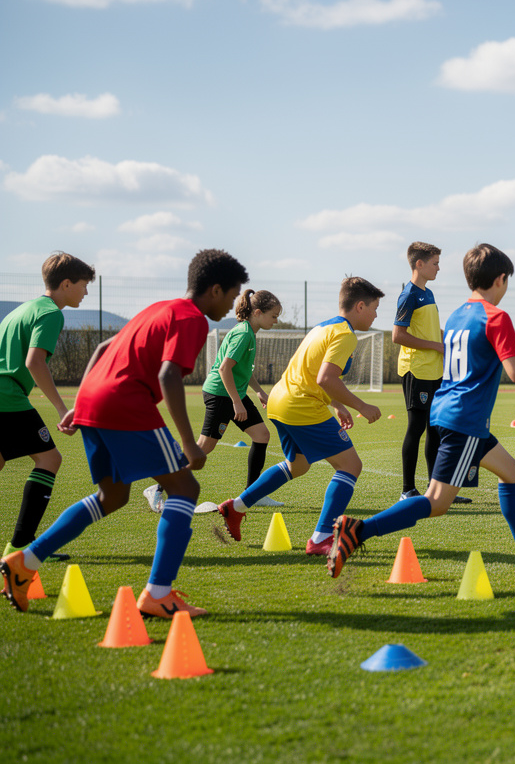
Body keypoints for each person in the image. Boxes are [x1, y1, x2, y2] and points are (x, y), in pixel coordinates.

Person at [2, 249, 248, 617]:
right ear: (215, 290)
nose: (231, 305)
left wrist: (80, 402)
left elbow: (104, 348)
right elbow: (168, 377)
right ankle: (158, 594)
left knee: (112, 496)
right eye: (231, 296)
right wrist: (187, 442)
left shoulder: (159, 308)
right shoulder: (193, 319)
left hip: (95, 399)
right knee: (185, 488)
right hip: (124, 402)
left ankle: (24, 562)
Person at [327, 243, 515, 579]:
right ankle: (358, 531)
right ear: (501, 279)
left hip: (451, 412)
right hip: (466, 420)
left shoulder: (461, 313)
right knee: (436, 502)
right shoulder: (497, 316)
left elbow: (501, 348)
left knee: (511, 471)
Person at [214, 277, 384, 555]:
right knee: (350, 466)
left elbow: (312, 374)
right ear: (361, 306)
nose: (377, 315)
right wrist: (360, 406)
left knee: (298, 465)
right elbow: (326, 377)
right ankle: (321, 538)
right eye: (375, 308)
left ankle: (236, 507)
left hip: (281, 401)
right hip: (301, 405)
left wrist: (338, 405)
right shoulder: (345, 334)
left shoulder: (324, 327)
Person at [144, 289, 283, 512]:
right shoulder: (244, 334)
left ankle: (252, 495)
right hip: (221, 394)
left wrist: (257, 391)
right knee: (203, 448)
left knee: (262, 435)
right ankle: (158, 488)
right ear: (257, 312)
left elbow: (243, 369)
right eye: (274, 316)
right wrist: (237, 402)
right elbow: (225, 368)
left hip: (232, 393)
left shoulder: (249, 331)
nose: (276, 321)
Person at [0, 252, 96, 561]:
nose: (85, 291)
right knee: (49, 458)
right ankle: (20, 547)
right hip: (7, 396)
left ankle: (21, 546)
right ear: (66, 284)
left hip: (5, 394)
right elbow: (34, 361)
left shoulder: (22, 310)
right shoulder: (52, 313)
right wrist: (60, 408)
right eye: (83, 285)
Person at [391, 242, 470, 505]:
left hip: (435, 370)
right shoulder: (408, 295)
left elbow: (429, 330)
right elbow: (398, 336)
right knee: (416, 428)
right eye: (435, 262)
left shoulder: (429, 293)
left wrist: (450, 341)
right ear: (419, 264)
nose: (439, 267)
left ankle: (435, 490)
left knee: (435, 429)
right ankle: (407, 490)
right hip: (417, 370)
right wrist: (437, 346)